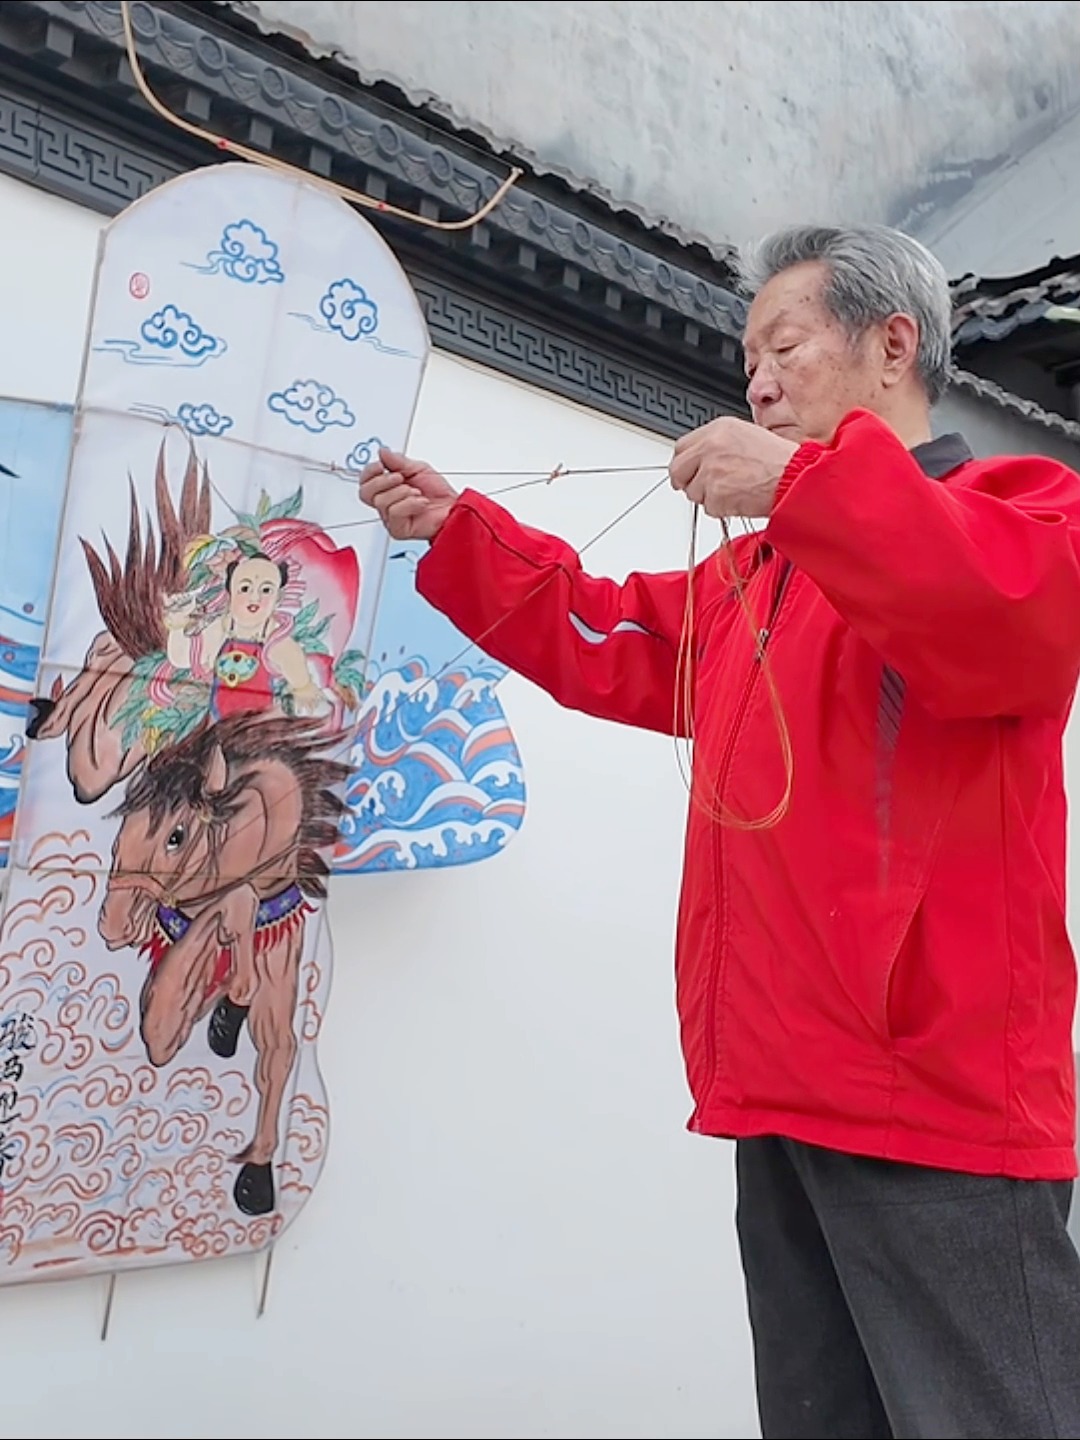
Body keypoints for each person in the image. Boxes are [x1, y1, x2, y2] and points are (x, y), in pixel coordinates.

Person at [359, 224, 1080, 1440]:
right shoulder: (756, 582)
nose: (758, 381)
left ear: (893, 344)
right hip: (779, 1087)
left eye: (785, 347)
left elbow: (997, 617)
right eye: (749, 360)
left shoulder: (1024, 510)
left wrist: (802, 490)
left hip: (935, 1099)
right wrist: (456, 531)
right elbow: (605, 633)